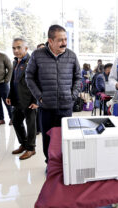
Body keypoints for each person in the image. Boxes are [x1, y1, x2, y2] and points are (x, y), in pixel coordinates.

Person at [26, 24, 81, 164]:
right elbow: (29, 77)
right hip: (46, 107)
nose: (64, 43)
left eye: (65, 39)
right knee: (48, 138)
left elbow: (78, 77)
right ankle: (50, 163)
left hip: (66, 105)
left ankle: (65, 164)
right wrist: (39, 96)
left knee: (66, 137)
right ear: (50, 41)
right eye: (60, 40)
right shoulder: (37, 55)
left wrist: (73, 95)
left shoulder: (71, 56)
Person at [6, 38, 37, 160]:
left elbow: (37, 82)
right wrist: (9, 95)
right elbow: (13, 81)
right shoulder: (15, 62)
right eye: (14, 48)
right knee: (16, 121)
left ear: (26, 48)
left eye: (19, 47)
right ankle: (23, 144)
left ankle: (31, 148)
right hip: (17, 99)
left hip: (29, 100)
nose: (16, 50)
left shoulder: (32, 62)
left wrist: (36, 101)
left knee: (31, 125)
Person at [0, 42, 13, 126]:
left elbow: (10, 68)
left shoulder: (3, 56)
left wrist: (7, 80)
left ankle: (12, 118)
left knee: (7, 102)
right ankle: (1, 119)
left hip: (3, 84)